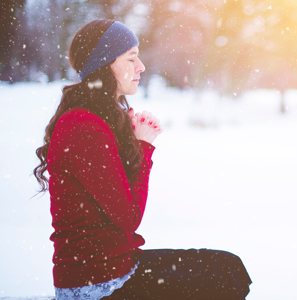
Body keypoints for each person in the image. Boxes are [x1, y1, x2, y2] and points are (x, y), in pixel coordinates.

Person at [33, 19, 252, 300]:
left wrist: (132, 141)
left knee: (229, 269)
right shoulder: (83, 125)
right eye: (131, 58)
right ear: (105, 63)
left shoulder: (96, 119)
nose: (141, 67)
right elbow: (128, 217)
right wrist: (144, 146)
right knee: (224, 275)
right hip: (98, 285)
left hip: (115, 269)